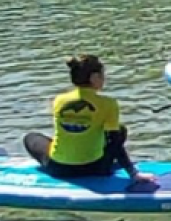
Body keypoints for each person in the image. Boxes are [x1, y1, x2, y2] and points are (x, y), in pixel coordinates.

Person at [23, 55, 146, 185]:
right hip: (97, 168)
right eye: (102, 75)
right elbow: (115, 142)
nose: (105, 79)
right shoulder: (109, 104)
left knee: (30, 137)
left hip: (60, 168)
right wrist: (133, 173)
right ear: (94, 78)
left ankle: (68, 154)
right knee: (119, 130)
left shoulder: (59, 100)